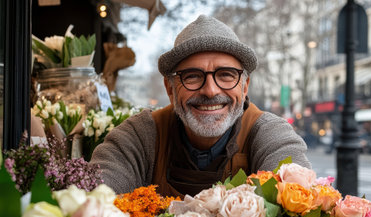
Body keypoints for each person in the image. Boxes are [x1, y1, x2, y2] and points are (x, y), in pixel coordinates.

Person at [90, 15, 311, 197]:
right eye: (193, 76)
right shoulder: (140, 135)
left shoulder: (270, 134)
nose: (210, 90)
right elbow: (96, 200)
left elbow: (300, 211)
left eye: (226, 75)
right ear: (170, 88)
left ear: (245, 87)